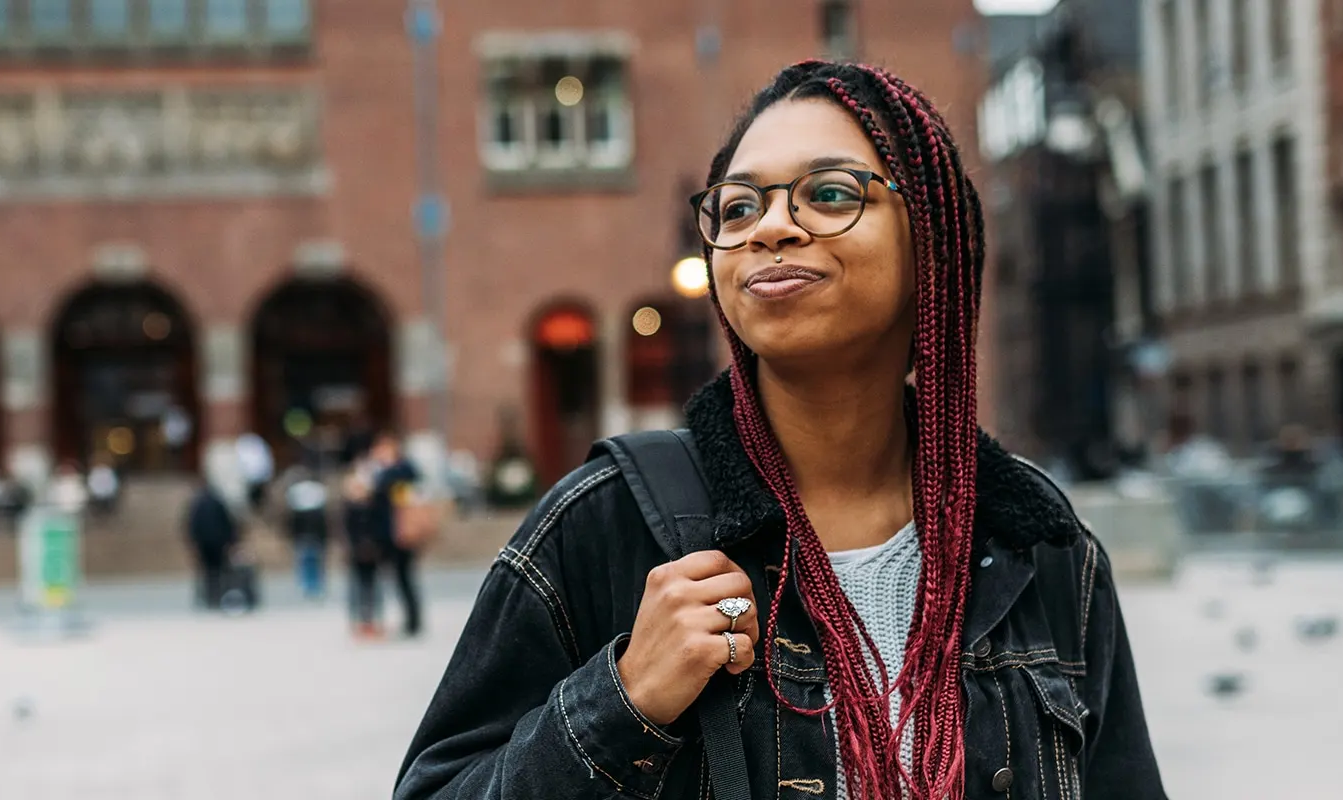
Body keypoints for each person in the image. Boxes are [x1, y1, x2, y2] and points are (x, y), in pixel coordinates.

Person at [396, 61, 1166, 799]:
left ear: (933, 241)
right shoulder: (607, 524)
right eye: (737, 207)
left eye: (828, 194)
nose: (770, 228)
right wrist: (623, 699)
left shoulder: (1040, 549)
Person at [344, 432, 423, 641]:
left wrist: (382, 472)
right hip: (381, 535)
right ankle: (371, 620)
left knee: (403, 578)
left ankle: (413, 621)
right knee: (375, 578)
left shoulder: (400, 471)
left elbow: (407, 482)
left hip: (400, 533)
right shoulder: (377, 472)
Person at [184, 480, 241, 611]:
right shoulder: (218, 503)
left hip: (204, 542)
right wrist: (232, 540)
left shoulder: (197, 504)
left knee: (208, 571)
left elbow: (192, 524)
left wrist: (193, 541)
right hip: (218, 542)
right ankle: (218, 595)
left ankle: (210, 596)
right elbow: (228, 523)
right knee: (219, 570)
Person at [281, 467, 332, 602]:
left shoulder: (300, 502)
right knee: (310, 562)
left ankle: (309, 586)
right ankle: (312, 587)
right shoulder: (313, 503)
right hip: (310, 536)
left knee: (308, 561)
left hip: (307, 536)